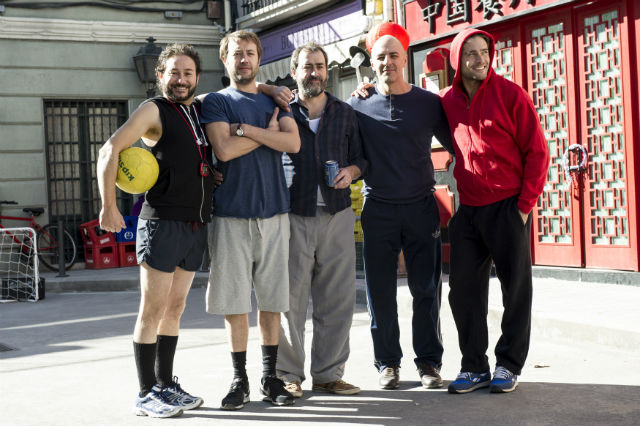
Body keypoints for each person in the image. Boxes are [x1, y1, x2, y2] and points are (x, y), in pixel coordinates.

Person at [97, 43, 214, 418]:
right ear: (160, 75)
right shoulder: (153, 110)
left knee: (176, 308)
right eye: (174, 73)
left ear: (196, 77)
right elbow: (109, 150)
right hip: (161, 221)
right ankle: (146, 392)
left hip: (194, 223)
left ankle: (166, 384)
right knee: (152, 309)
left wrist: (271, 89)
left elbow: (240, 88)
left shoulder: (198, 110)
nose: (181, 80)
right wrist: (109, 205)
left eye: (188, 73)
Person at [440, 28, 550, 394]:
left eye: (484, 51)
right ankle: (474, 367)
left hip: (508, 207)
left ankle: (509, 364)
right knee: (463, 291)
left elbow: (538, 152)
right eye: (470, 53)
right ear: (458, 61)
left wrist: (523, 207)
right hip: (469, 211)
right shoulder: (447, 102)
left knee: (515, 290)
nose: (480, 59)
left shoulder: (510, 95)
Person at [348, 22, 453, 390]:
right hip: (378, 207)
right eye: (380, 56)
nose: (387, 62)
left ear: (404, 58)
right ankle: (387, 364)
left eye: (393, 55)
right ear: (371, 63)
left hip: (422, 207)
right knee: (380, 291)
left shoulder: (428, 104)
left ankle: (428, 363)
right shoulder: (357, 105)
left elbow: (460, 142)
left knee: (426, 289)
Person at [200, 30, 301, 410]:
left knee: (272, 301)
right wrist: (268, 134)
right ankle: (239, 379)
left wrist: (247, 130)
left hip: (275, 213)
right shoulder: (216, 102)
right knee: (236, 305)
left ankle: (270, 378)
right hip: (230, 217)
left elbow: (292, 144)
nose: (243, 59)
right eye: (236, 54)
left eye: (249, 53)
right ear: (224, 60)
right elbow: (223, 150)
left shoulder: (274, 98)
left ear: (259, 58)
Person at [273, 42, 367, 398]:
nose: (314, 73)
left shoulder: (345, 112)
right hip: (292, 214)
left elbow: (362, 159)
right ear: (294, 71)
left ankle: (329, 374)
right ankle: (287, 373)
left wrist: (352, 171)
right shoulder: (280, 111)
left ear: (327, 71)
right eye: (307, 66)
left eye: (319, 66)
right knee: (289, 300)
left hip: (337, 213)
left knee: (337, 299)